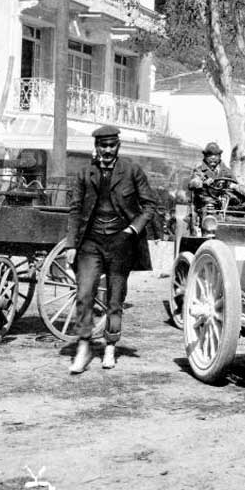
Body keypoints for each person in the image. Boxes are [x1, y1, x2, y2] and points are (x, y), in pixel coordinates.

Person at [65, 125, 157, 373]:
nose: (106, 151)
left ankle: (110, 347)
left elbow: (149, 206)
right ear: (95, 147)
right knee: (84, 294)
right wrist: (71, 245)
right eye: (102, 146)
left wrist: (131, 230)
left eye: (111, 146)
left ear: (118, 146)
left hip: (121, 243)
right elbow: (75, 210)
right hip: (90, 243)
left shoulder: (132, 171)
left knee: (115, 299)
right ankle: (83, 347)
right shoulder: (85, 173)